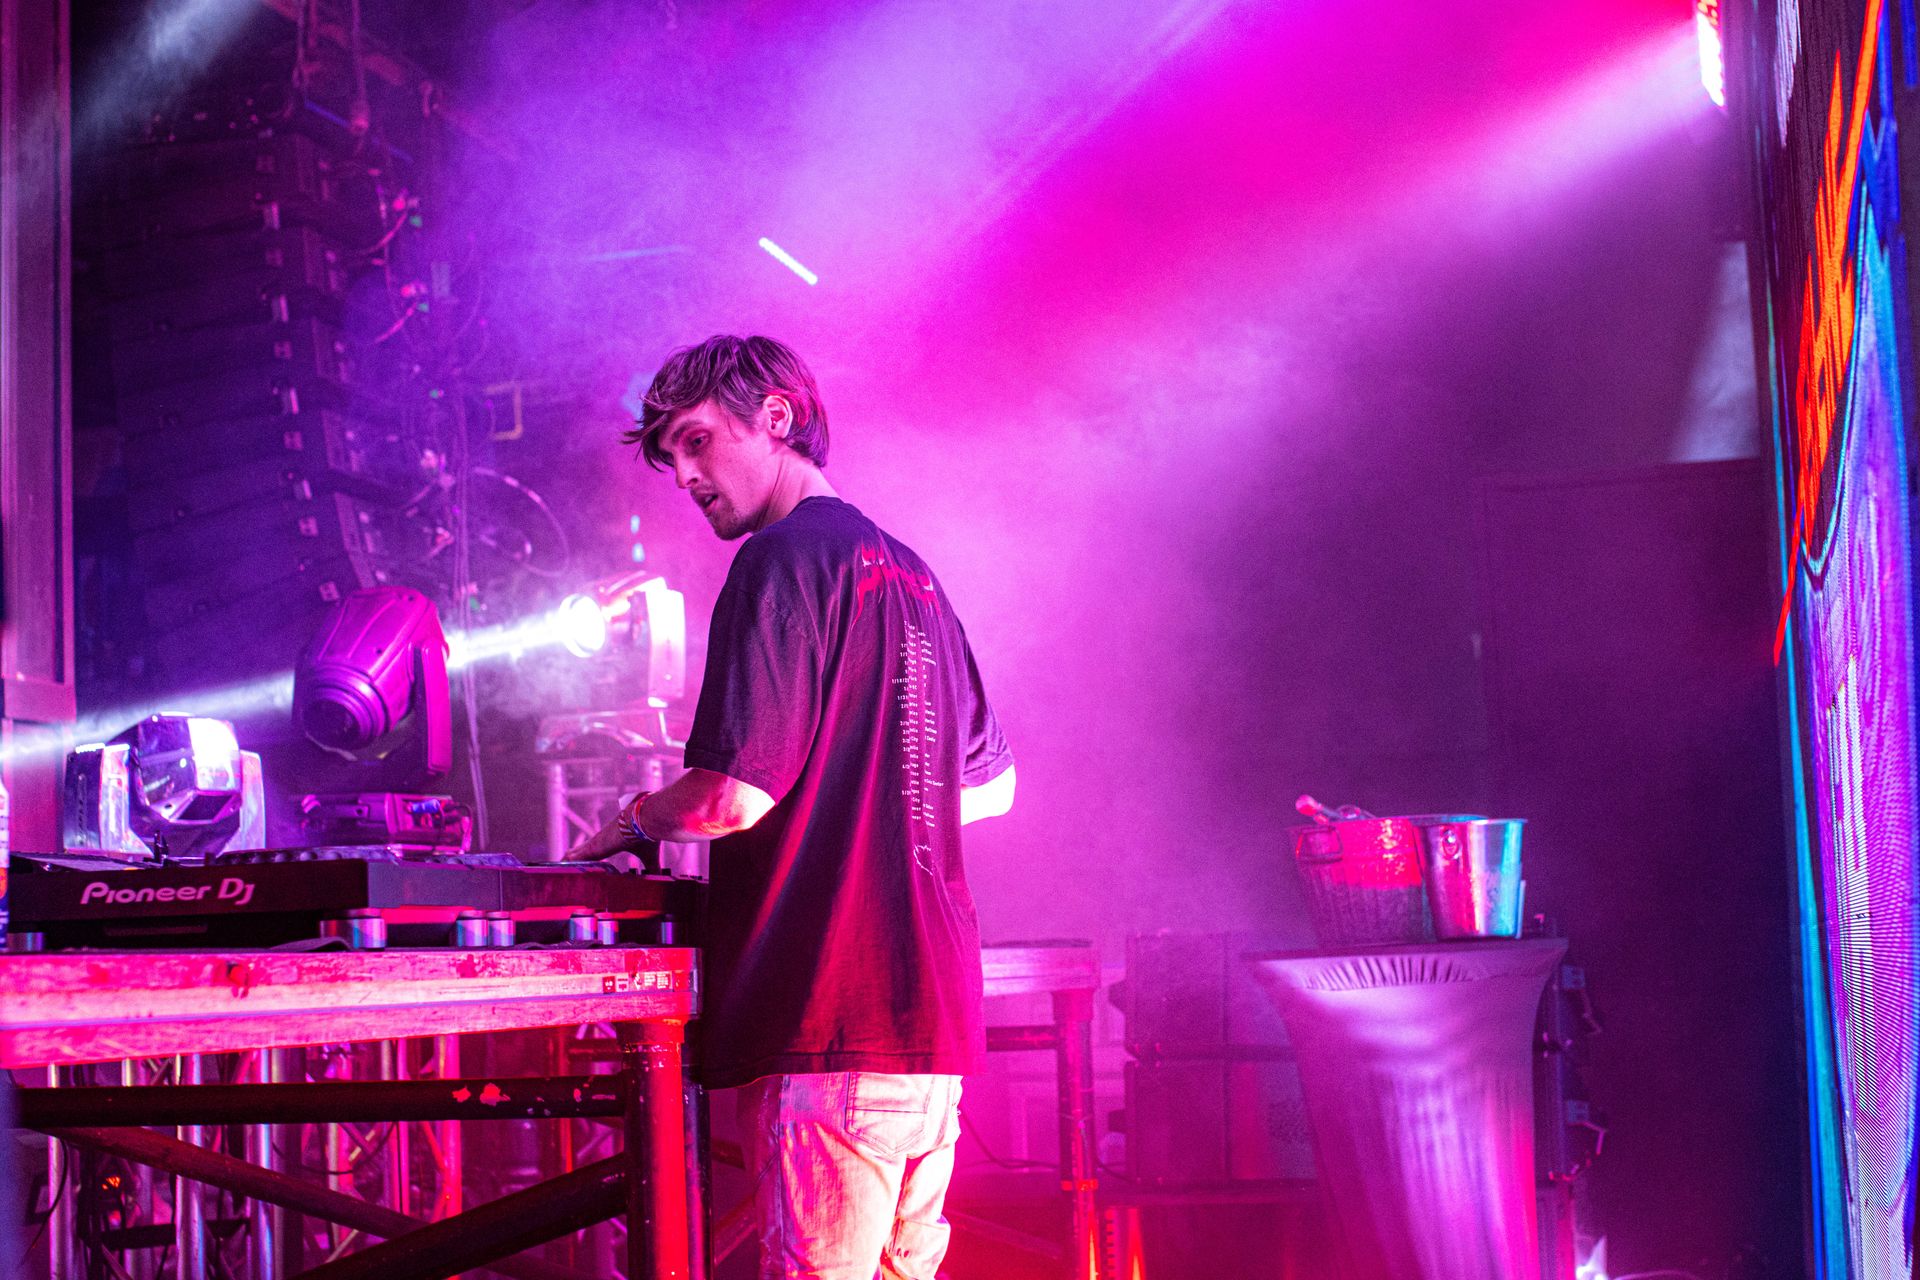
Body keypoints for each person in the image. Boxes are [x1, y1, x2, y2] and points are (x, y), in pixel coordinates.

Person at [567, 334, 1017, 1280]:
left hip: (829, 1016)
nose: (684, 475)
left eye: (695, 442)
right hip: (928, 1025)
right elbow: (992, 786)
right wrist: (873, 811)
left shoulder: (781, 561)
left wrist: (632, 821)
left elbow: (730, 800)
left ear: (776, 417)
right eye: (670, 457)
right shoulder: (914, 575)